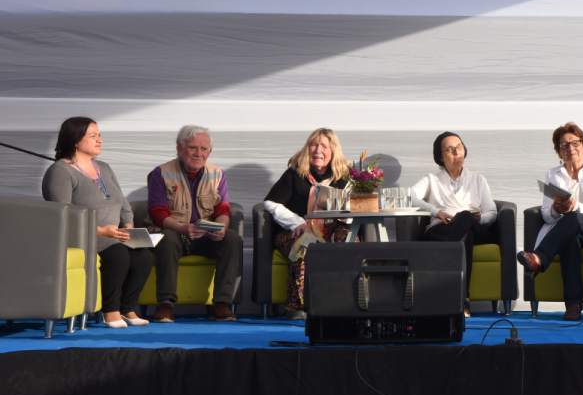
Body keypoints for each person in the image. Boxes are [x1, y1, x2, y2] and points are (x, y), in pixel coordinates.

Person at [42, 117, 153, 329]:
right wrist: (102, 231)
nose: (99, 140)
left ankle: (127, 307)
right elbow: (61, 215)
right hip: (83, 237)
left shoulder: (104, 167)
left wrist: (129, 228)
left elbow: (123, 203)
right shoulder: (60, 172)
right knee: (118, 254)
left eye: (99, 135)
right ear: (75, 140)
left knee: (144, 256)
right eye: (93, 136)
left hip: (114, 235)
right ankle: (110, 311)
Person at [147, 125, 242, 322]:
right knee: (167, 239)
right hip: (176, 232)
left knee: (232, 239)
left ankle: (222, 303)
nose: (199, 153)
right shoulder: (160, 173)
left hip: (205, 235)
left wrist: (221, 227)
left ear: (210, 151)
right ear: (179, 148)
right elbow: (158, 213)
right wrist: (183, 228)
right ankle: (165, 304)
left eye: (204, 149)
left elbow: (223, 209)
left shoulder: (217, 174)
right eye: (192, 148)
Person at [516, 123, 583, 320]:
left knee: (575, 218)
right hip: (566, 229)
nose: (570, 148)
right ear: (558, 151)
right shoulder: (553, 174)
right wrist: (556, 209)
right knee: (570, 238)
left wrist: (577, 208)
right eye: (563, 145)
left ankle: (540, 258)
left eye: (574, 143)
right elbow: (546, 214)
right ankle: (573, 306)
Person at [263, 128, 351, 320]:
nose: (318, 150)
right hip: (296, 232)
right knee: (305, 245)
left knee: (350, 243)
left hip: (331, 230)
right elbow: (270, 202)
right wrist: (296, 222)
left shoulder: (343, 177)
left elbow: (352, 210)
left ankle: (344, 302)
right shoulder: (295, 174)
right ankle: (298, 306)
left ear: (333, 150)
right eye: (313, 145)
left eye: (324, 146)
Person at [411, 132, 497, 316]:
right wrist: (436, 212)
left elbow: (492, 213)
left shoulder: (478, 179)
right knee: (465, 236)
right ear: (440, 157)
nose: (456, 152)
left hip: (474, 226)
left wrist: (478, 218)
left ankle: (442, 250)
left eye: (458, 147)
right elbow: (410, 196)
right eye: (449, 150)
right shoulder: (431, 179)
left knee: (465, 217)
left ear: (464, 150)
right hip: (442, 229)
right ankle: (462, 300)